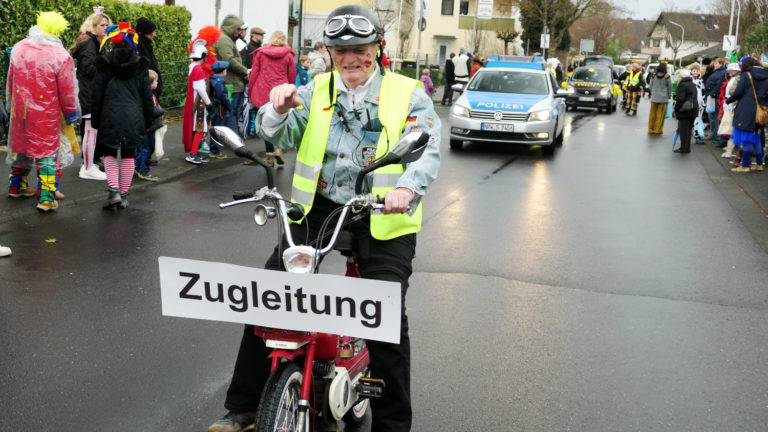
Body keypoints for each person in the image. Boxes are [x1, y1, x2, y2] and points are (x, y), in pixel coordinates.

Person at [207, 5, 441, 432]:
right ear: (330, 52)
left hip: (381, 215)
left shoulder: (408, 92)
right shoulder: (315, 89)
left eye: (360, 49)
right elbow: (284, 133)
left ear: (377, 49)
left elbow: (425, 147)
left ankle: (392, 425)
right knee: (269, 294)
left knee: (384, 317)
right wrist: (277, 110)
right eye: (340, 51)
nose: (350, 59)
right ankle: (243, 407)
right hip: (319, 208)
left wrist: (407, 188)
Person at [7, 11, 79, 212]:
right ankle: (46, 197)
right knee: (46, 152)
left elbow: (12, 79)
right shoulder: (60, 55)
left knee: (22, 147)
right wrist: (70, 112)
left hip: (20, 109)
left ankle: (16, 186)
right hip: (46, 113)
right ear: (58, 30)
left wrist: (13, 104)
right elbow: (66, 90)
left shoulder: (20, 47)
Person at [91, 23, 154, 209]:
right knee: (128, 155)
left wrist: (96, 120)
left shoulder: (104, 63)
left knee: (109, 152)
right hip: (134, 117)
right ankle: (123, 195)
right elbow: (147, 98)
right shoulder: (140, 66)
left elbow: (97, 95)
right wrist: (148, 121)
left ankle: (114, 191)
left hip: (109, 115)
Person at [70, 11, 111, 181]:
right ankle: (87, 167)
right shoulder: (90, 44)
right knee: (91, 132)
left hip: (91, 93)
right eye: (102, 25)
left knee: (91, 131)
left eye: (107, 25)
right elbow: (88, 68)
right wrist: (107, 68)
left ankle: (89, 165)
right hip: (89, 95)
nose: (106, 28)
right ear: (93, 27)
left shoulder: (96, 43)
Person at [248, 30, 295, 167]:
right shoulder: (288, 55)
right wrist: (290, 89)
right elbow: (292, 75)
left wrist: (250, 91)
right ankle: (278, 149)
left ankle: (269, 155)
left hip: (262, 92)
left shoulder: (261, 53)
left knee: (265, 123)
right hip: (280, 93)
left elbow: (254, 73)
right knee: (281, 122)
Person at [182, 26, 221, 165]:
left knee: (197, 129)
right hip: (198, 104)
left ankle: (194, 152)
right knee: (200, 129)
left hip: (195, 103)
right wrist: (208, 103)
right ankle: (193, 153)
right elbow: (201, 89)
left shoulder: (193, 67)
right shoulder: (198, 69)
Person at [726, 56, 767, 172]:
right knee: (756, 137)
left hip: (746, 110)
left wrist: (728, 100)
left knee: (746, 138)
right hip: (760, 111)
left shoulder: (746, 74)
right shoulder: (766, 74)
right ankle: (759, 164)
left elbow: (738, 92)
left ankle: (745, 165)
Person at [216, 15, 250, 132]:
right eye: (238, 29)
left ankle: (234, 144)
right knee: (230, 115)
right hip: (231, 85)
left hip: (234, 84)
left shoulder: (227, 39)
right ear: (231, 27)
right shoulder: (224, 40)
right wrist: (245, 71)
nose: (239, 32)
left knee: (233, 114)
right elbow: (229, 60)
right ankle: (233, 145)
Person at [134, 69, 165, 181]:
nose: (157, 83)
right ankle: (144, 170)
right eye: (155, 81)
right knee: (148, 149)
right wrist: (161, 111)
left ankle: (136, 165)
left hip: (148, 126)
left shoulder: (148, 94)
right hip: (149, 126)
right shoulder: (147, 97)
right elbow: (151, 111)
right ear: (149, 83)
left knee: (144, 148)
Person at [135, 17, 162, 97]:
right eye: (153, 32)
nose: (154, 35)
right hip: (148, 87)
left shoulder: (147, 44)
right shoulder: (140, 45)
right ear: (146, 32)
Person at [673, 69, 699, 153]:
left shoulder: (682, 85)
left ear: (681, 77)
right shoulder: (692, 84)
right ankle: (687, 147)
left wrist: (676, 109)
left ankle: (683, 148)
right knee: (688, 129)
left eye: (678, 76)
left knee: (683, 130)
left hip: (684, 110)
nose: (677, 78)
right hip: (693, 109)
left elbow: (680, 99)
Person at [209, 60, 236, 134]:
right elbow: (222, 95)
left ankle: (214, 144)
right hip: (220, 108)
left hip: (215, 107)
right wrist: (229, 106)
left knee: (216, 127)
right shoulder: (219, 81)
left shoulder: (213, 79)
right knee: (219, 128)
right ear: (223, 72)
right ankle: (215, 145)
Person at [705, 57, 727, 144]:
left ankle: (713, 134)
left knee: (713, 116)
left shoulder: (721, 73)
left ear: (721, 64)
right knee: (712, 116)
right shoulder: (717, 72)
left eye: (716, 63)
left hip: (714, 97)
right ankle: (714, 133)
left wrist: (712, 94)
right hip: (712, 96)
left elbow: (719, 85)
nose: (714, 65)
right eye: (714, 63)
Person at [647, 62, 672, 134]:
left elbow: (650, 86)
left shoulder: (653, 75)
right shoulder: (667, 76)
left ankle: (650, 129)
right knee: (660, 115)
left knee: (652, 114)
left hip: (654, 97)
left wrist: (653, 93)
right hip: (663, 98)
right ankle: (657, 130)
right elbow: (670, 87)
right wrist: (669, 95)